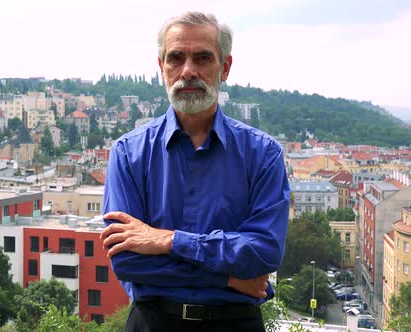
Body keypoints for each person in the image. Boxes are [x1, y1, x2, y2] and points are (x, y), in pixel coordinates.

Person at [100, 11, 290, 331]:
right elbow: (127, 261)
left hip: (236, 324)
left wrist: (169, 240)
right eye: (176, 58)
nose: (188, 71)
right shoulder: (128, 153)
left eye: (203, 58)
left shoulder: (263, 155)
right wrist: (230, 277)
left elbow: (264, 253)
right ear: (162, 68)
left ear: (225, 68)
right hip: (153, 322)